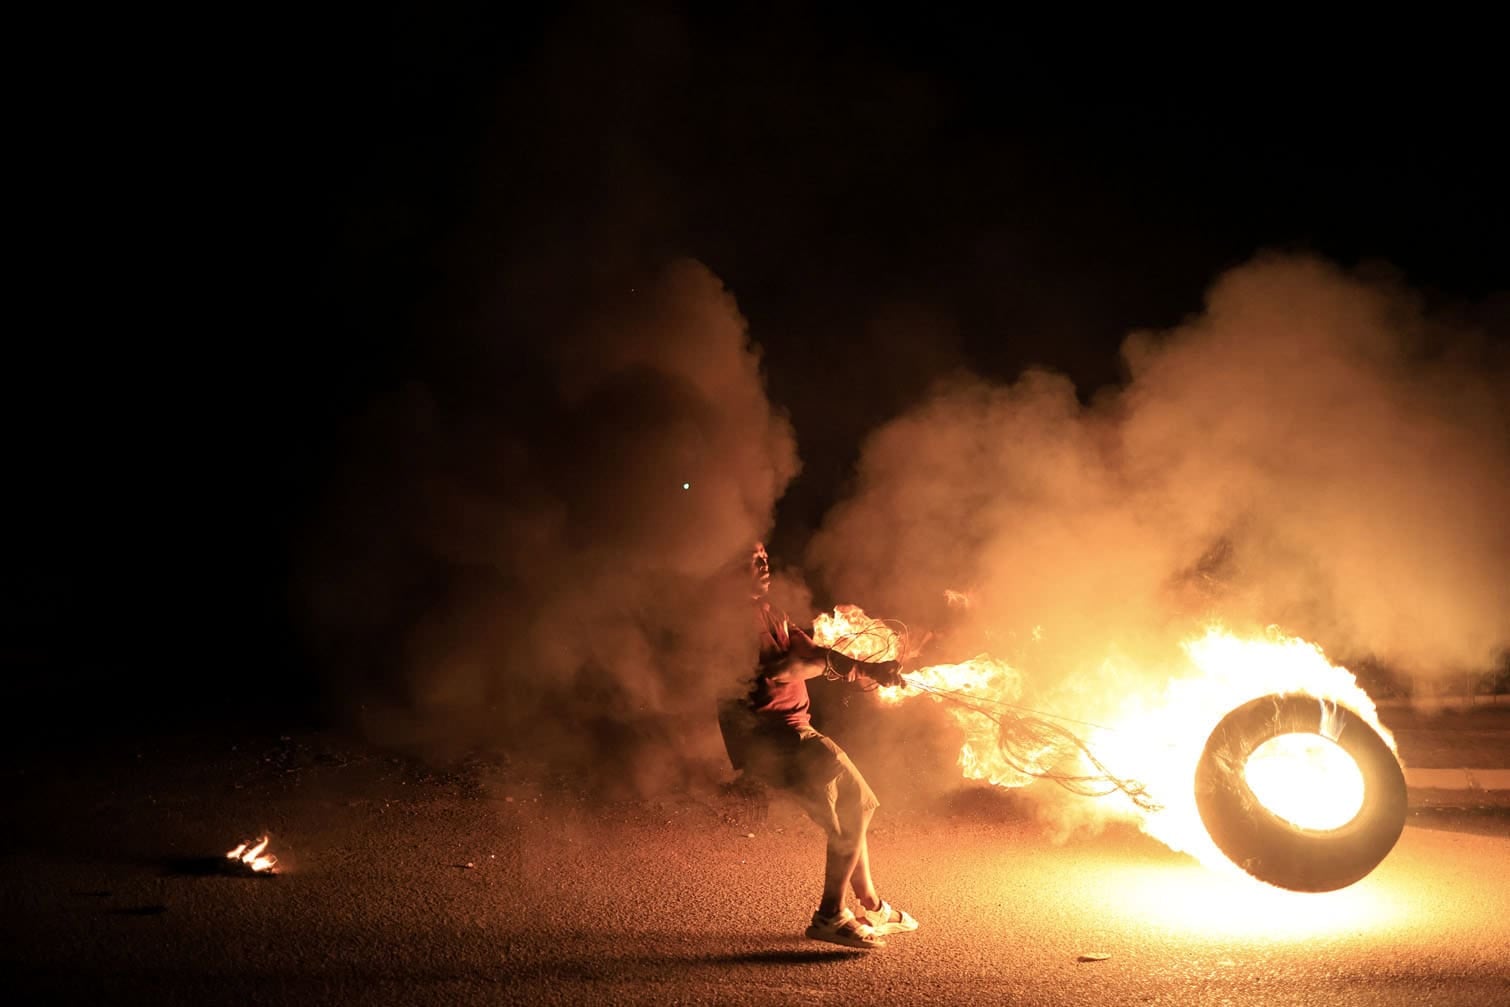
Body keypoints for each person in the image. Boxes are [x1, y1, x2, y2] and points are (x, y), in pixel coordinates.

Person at [718, 541, 920, 950]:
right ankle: (830, 915)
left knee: (846, 818)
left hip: (787, 732)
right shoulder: (738, 618)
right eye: (751, 559)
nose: (763, 563)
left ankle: (872, 906)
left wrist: (866, 666)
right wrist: (852, 667)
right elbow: (782, 670)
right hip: (777, 735)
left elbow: (805, 649)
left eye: (764, 555)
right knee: (859, 804)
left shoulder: (766, 609)